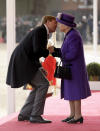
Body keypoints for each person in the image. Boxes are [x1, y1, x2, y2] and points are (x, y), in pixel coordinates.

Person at [6, 15, 57, 123]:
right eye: (54, 22)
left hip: (23, 61)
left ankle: (24, 114)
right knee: (43, 84)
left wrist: (39, 67)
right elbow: (37, 50)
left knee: (38, 86)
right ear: (47, 22)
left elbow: (33, 52)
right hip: (23, 62)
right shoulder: (41, 31)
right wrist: (49, 51)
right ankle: (35, 115)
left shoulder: (41, 31)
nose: (56, 25)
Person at [48, 12, 91, 124]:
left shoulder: (73, 36)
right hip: (70, 68)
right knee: (71, 93)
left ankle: (78, 116)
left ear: (66, 25)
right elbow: (65, 52)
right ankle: (72, 114)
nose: (58, 25)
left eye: (60, 23)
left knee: (75, 93)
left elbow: (72, 54)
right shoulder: (70, 34)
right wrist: (54, 51)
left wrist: (58, 53)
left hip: (74, 69)